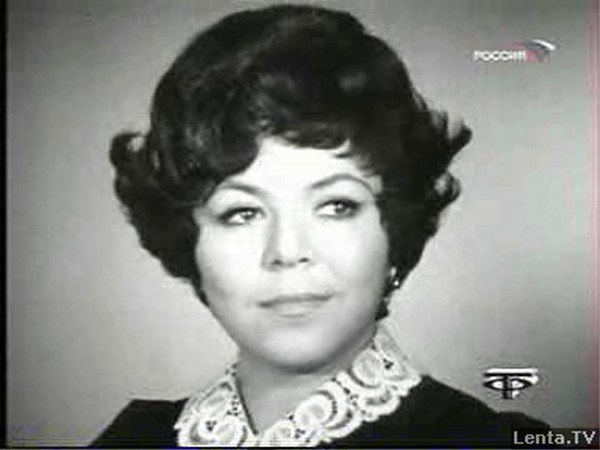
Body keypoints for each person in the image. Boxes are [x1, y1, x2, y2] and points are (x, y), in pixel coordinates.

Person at [93, 4, 548, 448]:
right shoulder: (132, 439)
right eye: (242, 213)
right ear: (189, 245)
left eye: (336, 206)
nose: (287, 251)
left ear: (394, 233)